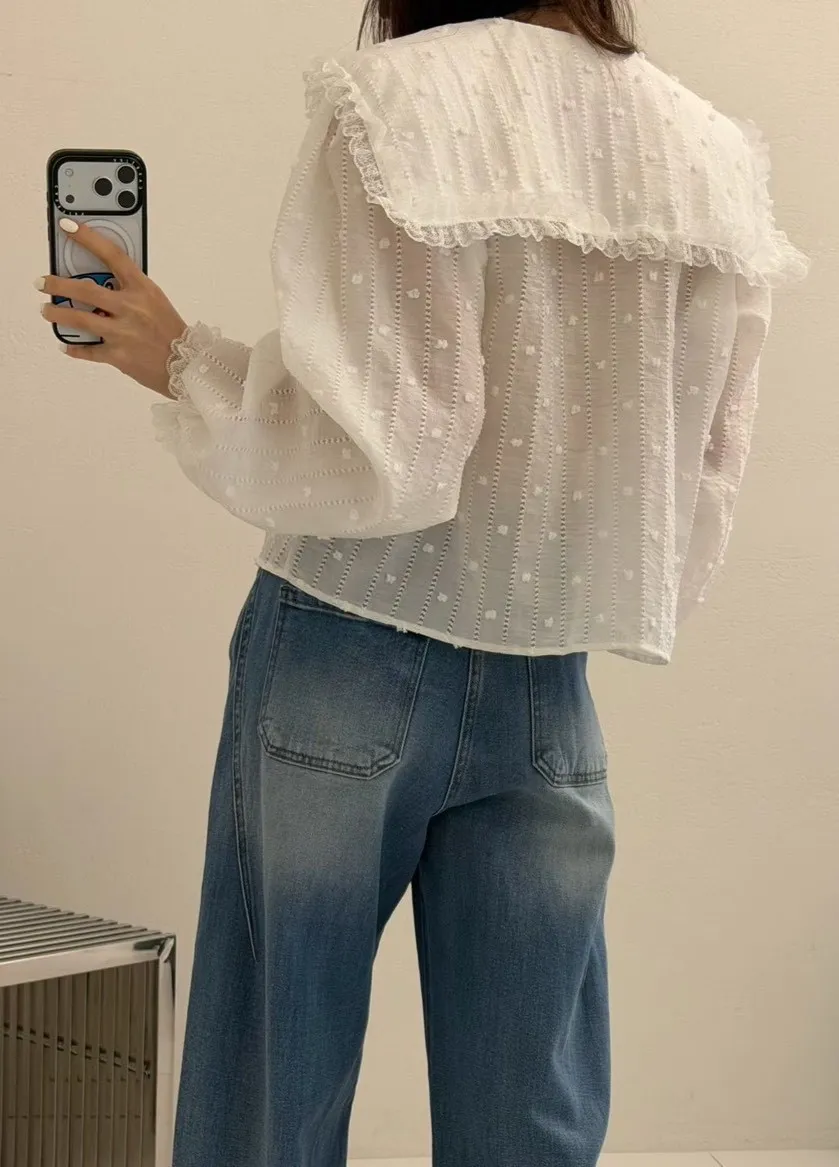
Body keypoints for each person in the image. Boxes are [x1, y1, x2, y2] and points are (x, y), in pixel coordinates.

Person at [36, 1, 808, 1163]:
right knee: (528, 1115)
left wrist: (183, 361)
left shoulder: (396, 100)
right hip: (548, 677)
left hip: (343, 649)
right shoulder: (702, 153)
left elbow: (388, 449)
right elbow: (700, 465)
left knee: (271, 1081)